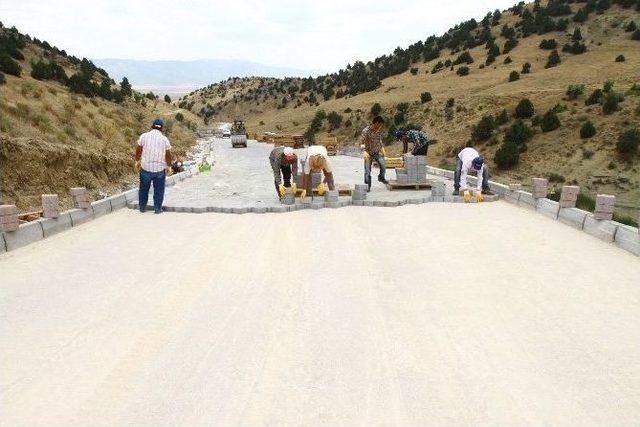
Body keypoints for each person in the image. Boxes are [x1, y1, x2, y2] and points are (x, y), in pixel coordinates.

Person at [135, 119, 172, 214]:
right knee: (159, 191)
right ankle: (157, 209)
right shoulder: (164, 139)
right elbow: (168, 155)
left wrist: (137, 161)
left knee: (143, 189)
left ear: (152, 126)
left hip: (145, 168)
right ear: (162, 128)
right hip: (159, 170)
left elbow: (138, 149)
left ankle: (142, 208)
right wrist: (169, 166)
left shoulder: (144, 136)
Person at [361, 116, 388, 191]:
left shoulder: (378, 130)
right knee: (367, 171)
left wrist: (382, 148)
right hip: (368, 153)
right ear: (376, 123)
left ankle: (381, 177)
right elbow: (362, 142)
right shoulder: (366, 131)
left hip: (376, 152)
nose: (380, 126)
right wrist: (364, 151)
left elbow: (379, 140)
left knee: (383, 166)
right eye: (380, 124)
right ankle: (367, 186)